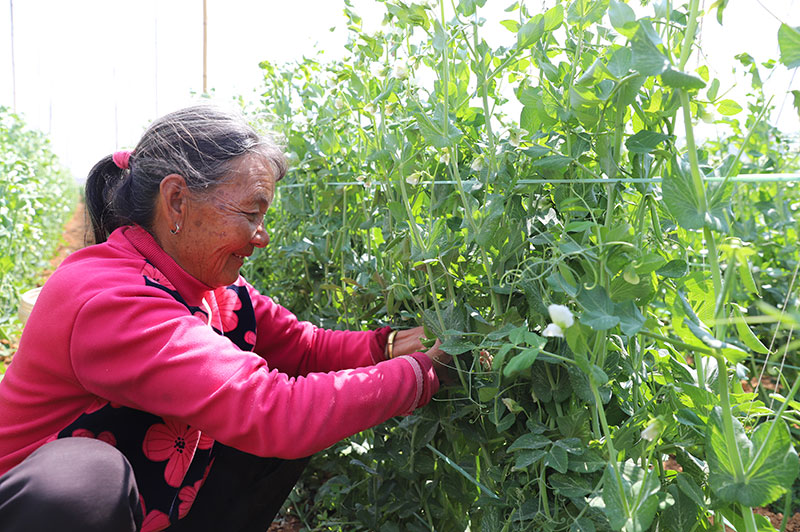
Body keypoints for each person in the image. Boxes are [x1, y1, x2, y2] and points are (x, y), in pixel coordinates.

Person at [0, 105, 450, 532]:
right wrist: (426, 374)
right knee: (84, 480)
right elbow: (270, 409)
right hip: (24, 510)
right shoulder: (110, 299)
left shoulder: (209, 286)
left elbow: (303, 349)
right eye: (251, 214)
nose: (262, 236)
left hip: (144, 505)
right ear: (176, 200)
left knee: (296, 416)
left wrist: (391, 346)